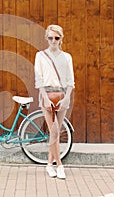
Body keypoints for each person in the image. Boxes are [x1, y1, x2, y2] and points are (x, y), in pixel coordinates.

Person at [34, 25, 74, 179]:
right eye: (50, 38)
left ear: (61, 39)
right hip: (47, 94)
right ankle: (60, 165)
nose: (53, 41)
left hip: (62, 94)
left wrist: (67, 97)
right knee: (55, 130)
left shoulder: (67, 57)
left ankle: (49, 165)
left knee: (55, 133)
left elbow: (70, 79)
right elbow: (39, 78)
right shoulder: (40, 56)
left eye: (56, 38)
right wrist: (44, 96)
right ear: (46, 38)